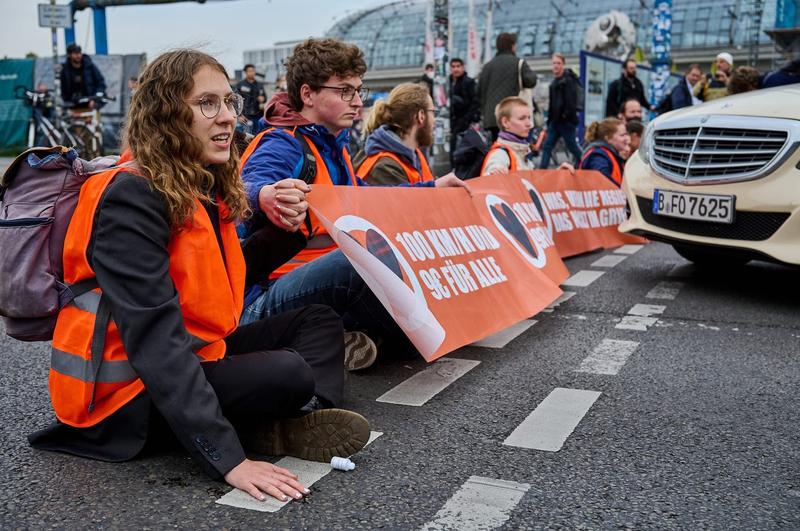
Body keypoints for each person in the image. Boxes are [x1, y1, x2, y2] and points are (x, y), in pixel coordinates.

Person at [29, 49, 370, 503]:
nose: (228, 116)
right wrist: (229, 460)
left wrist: (286, 234)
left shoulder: (196, 182)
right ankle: (261, 424)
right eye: (207, 103)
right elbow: (154, 340)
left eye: (230, 102)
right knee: (287, 370)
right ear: (166, 114)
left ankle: (299, 418)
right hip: (123, 396)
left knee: (318, 320)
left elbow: (218, 279)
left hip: (200, 352)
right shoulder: (130, 195)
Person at [239, 38, 467, 364]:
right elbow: (240, 188)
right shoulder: (284, 143)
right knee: (362, 266)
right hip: (261, 299)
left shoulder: (336, 146)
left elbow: (369, 199)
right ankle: (340, 336)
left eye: (359, 90)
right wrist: (262, 195)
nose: (358, 101)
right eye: (345, 91)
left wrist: (432, 188)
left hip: (307, 285)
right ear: (308, 94)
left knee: (400, 285)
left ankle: (349, 336)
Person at [353, 83, 436, 185]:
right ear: (421, 116)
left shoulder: (413, 154)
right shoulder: (384, 168)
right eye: (433, 112)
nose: (434, 120)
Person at [481, 96, 574, 176]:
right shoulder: (500, 155)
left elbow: (534, 185)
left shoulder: (520, 152)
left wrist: (557, 174)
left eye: (529, 118)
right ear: (505, 122)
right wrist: (495, 176)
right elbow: (489, 187)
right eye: (522, 118)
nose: (529, 124)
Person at [479, 33, 536, 141]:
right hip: (512, 117)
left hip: (492, 118)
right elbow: (531, 82)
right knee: (517, 147)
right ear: (512, 45)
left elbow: (479, 92)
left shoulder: (487, 66)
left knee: (498, 147)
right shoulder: (518, 63)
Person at [539, 53, 582, 168]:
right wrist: (550, 122)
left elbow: (571, 102)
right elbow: (553, 105)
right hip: (555, 122)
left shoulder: (568, 81)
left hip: (566, 122)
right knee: (547, 146)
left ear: (563, 65)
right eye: (554, 63)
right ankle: (542, 170)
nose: (556, 66)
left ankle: (586, 162)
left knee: (572, 146)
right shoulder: (553, 83)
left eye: (558, 63)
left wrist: (564, 116)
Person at [579, 117, 630, 186]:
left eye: (626, 134)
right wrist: (621, 191)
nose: (627, 138)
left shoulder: (610, 154)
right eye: (622, 135)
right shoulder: (598, 156)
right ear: (608, 138)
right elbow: (601, 179)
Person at [448, 57, 479, 166]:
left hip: (464, 121)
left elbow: (475, 102)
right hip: (451, 121)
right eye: (453, 66)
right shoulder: (447, 82)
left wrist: (466, 120)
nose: (455, 69)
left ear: (463, 67)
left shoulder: (469, 82)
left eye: (458, 66)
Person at [60, 43, 107, 108]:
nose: (78, 56)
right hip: (73, 103)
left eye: (79, 53)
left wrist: (96, 98)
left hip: (91, 101)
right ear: (69, 55)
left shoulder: (90, 66)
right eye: (75, 53)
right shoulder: (65, 70)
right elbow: (63, 89)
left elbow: (101, 83)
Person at [236, 64, 267, 134]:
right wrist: (239, 115)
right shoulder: (240, 85)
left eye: (253, 71)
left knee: (259, 135)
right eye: (249, 71)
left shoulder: (259, 84)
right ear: (245, 72)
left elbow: (265, 97)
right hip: (246, 116)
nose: (251, 73)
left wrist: (262, 98)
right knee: (247, 136)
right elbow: (237, 101)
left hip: (259, 115)